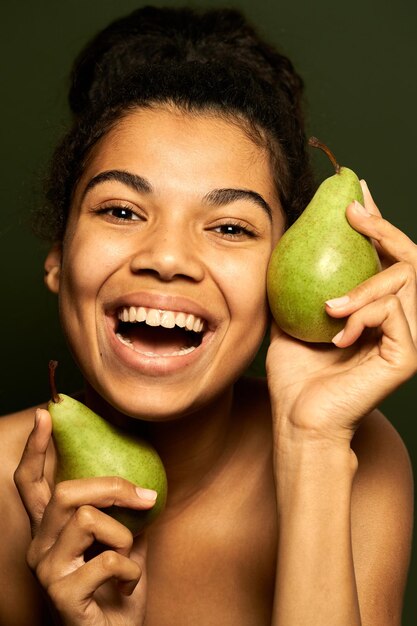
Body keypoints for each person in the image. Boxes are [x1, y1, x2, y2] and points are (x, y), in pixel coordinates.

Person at [0, 6, 416, 625]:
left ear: (281, 273)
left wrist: (313, 446)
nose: (168, 258)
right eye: (120, 211)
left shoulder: (359, 459)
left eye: (230, 226)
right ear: (59, 257)